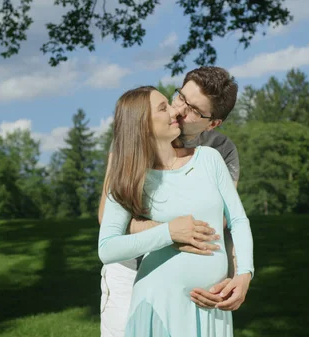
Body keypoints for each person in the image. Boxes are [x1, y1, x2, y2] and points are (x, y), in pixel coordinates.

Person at [98, 66, 248, 337]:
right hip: (130, 267)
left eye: (192, 110)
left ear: (212, 123)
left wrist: (238, 276)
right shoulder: (131, 143)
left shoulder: (218, 152)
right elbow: (108, 224)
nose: (178, 110)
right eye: (179, 97)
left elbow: (223, 221)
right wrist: (171, 232)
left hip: (199, 296)